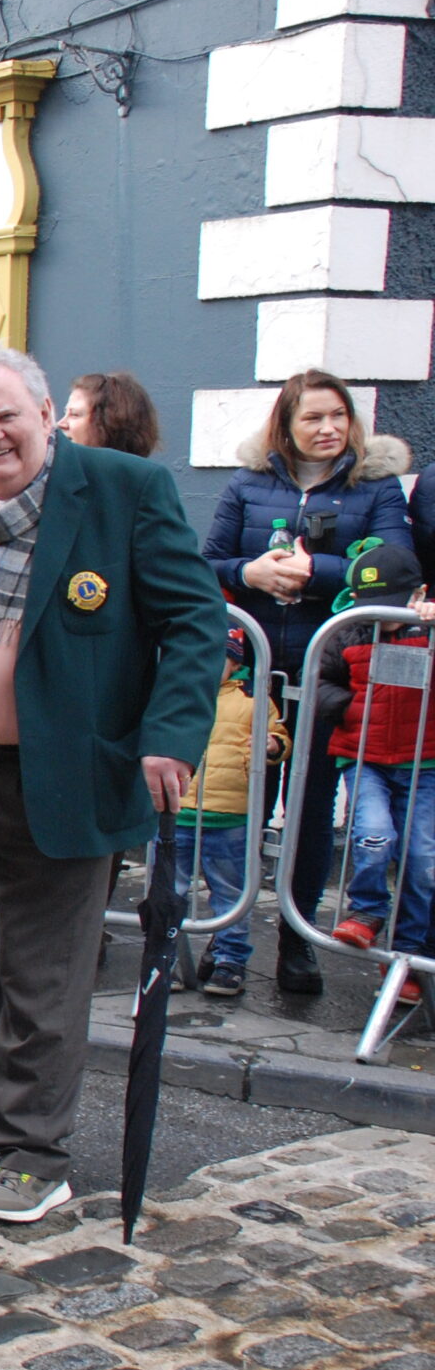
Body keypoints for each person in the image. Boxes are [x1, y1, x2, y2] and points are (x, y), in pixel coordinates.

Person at [0, 344, 226, 1223]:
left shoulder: (121, 491)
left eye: (7, 415)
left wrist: (170, 738)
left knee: (42, 973)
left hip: (65, 773)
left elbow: (196, 620)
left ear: (47, 414)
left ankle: (36, 1150)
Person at [202, 368, 412, 991]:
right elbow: (208, 560)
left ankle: (299, 941)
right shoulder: (247, 484)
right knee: (245, 805)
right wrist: (254, 573)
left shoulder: (376, 488)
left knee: (312, 810)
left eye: (337, 416)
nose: (327, 428)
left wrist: (317, 570)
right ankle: (228, 940)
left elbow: (395, 565)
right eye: (312, 417)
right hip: (254, 673)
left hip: (331, 673)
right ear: (286, 426)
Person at [311, 537, 434, 1005]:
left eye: (393, 605)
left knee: (422, 861)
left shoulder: (427, 627)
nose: (381, 615)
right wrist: (347, 708)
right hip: (365, 761)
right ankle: (366, 912)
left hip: (424, 765)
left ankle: (407, 956)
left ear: (418, 595)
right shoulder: (346, 631)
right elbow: (320, 681)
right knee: (373, 836)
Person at [177, 628, 286, 998]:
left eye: (218, 658)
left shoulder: (253, 699)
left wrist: (273, 745)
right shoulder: (180, 689)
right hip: (179, 809)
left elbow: (279, 737)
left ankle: (230, 960)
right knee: (169, 890)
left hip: (230, 813)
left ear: (236, 663)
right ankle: (169, 956)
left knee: (231, 891)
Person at [60, 371, 161, 457]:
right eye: (66, 413)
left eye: (74, 414)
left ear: (110, 423)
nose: (60, 424)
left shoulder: (147, 478)